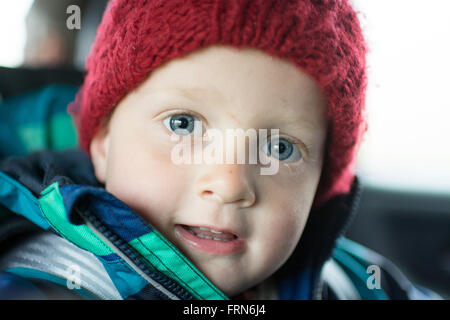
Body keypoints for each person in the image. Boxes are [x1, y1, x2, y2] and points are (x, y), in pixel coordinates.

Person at [0, 0, 442, 300]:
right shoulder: (44, 281)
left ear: (319, 183)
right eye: (183, 124)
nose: (230, 184)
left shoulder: (348, 280)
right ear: (102, 143)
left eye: (280, 148)